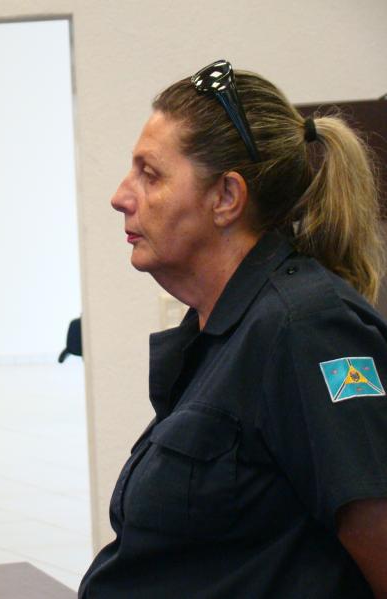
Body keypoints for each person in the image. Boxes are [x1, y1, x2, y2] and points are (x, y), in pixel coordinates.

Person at [79, 60, 387, 598]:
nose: (121, 196)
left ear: (226, 198)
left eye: (150, 174)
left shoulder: (306, 328)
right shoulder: (222, 329)